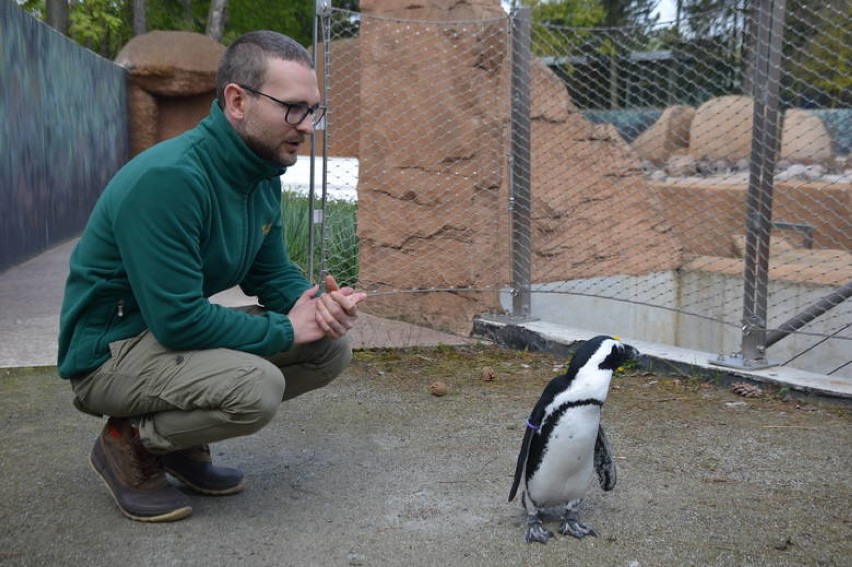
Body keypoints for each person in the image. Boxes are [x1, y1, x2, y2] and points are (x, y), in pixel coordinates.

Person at [57, 30, 366, 523]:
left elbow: (271, 273)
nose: (307, 126)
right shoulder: (172, 179)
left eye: (313, 111)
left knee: (328, 347)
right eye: (293, 108)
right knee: (255, 387)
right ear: (237, 101)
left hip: (161, 339)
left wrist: (318, 304)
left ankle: (177, 446)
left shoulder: (258, 174)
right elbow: (178, 320)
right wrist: (286, 327)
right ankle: (128, 443)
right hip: (107, 354)